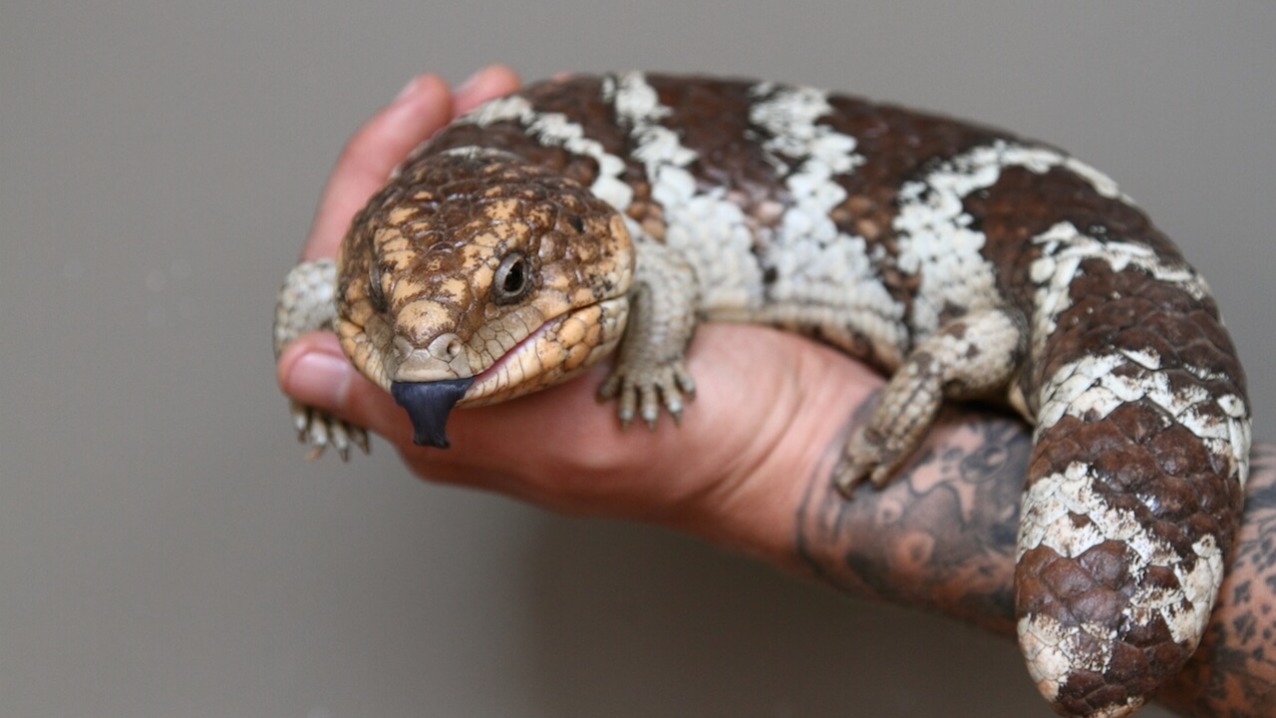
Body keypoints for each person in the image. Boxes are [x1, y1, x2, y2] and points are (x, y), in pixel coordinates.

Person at [275, 66, 1275, 717]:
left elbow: (641, 278)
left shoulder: (615, 252)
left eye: (510, 293)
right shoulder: (389, 276)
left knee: (1094, 639)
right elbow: (310, 295)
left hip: (1035, 233)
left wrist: (770, 442)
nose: (430, 358)